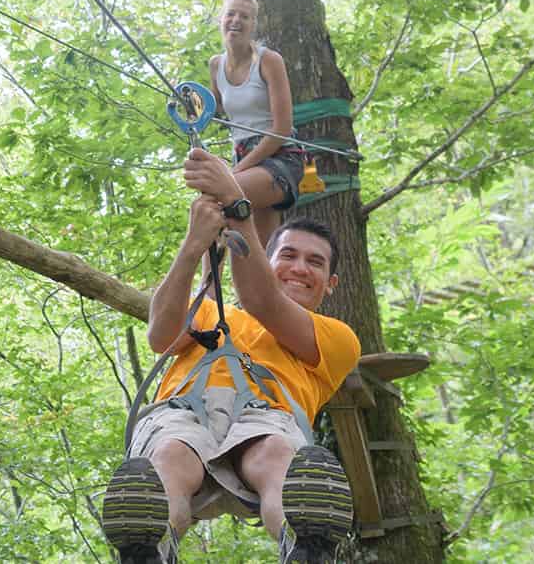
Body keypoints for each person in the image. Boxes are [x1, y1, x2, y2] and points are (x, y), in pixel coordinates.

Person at [100, 148, 360, 563]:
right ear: (265, 260)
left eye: (315, 262)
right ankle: (149, 548)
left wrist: (238, 204)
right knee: (169, 457)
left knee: (276, 456)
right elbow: (161, 335)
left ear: (331, 284)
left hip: (268, 416)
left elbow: (262, 299)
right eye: (288, 255)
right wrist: (193, 246)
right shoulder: (209, 310)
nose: (299, 268)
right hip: (184, 411)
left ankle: (304, 546)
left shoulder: (337, 339)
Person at [210, 0, 310, 214]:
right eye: (231, 14)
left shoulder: (269, 60)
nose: (236, 20)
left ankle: (195, 251)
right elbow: (211, 110)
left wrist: (236, 171)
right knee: (254, 246)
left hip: (280, 157)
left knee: (217, 200)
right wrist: (186, 101)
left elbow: (282, 129)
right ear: (221, 19)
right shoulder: (216, 65)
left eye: (244, 17)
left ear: (253, 24)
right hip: (243, 156)